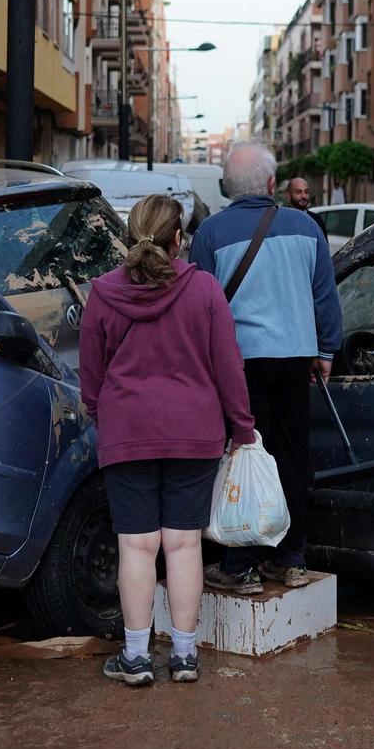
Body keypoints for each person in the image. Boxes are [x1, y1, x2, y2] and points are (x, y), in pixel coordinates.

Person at [81, 194, 257, 686]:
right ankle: (184, 656)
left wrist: (102, 412)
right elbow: (229, 367)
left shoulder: (102, 293)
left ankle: (135, 658)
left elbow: (90, 376)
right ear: (179, 239)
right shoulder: (204, 290)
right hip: (194, 432)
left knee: (136, 546)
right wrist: (242, 428)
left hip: (127, 431)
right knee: (183, 545)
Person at [191, 141, 342, 593]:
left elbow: (200, 306)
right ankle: (292, 558)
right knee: (292, 459)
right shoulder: (306, 227)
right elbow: (325, 296)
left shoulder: (211, 234)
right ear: (273, 185)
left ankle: (240, 564)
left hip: (238, 366)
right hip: (296, 360)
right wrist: (327, 351)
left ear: (226, 188)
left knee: (244, 457)